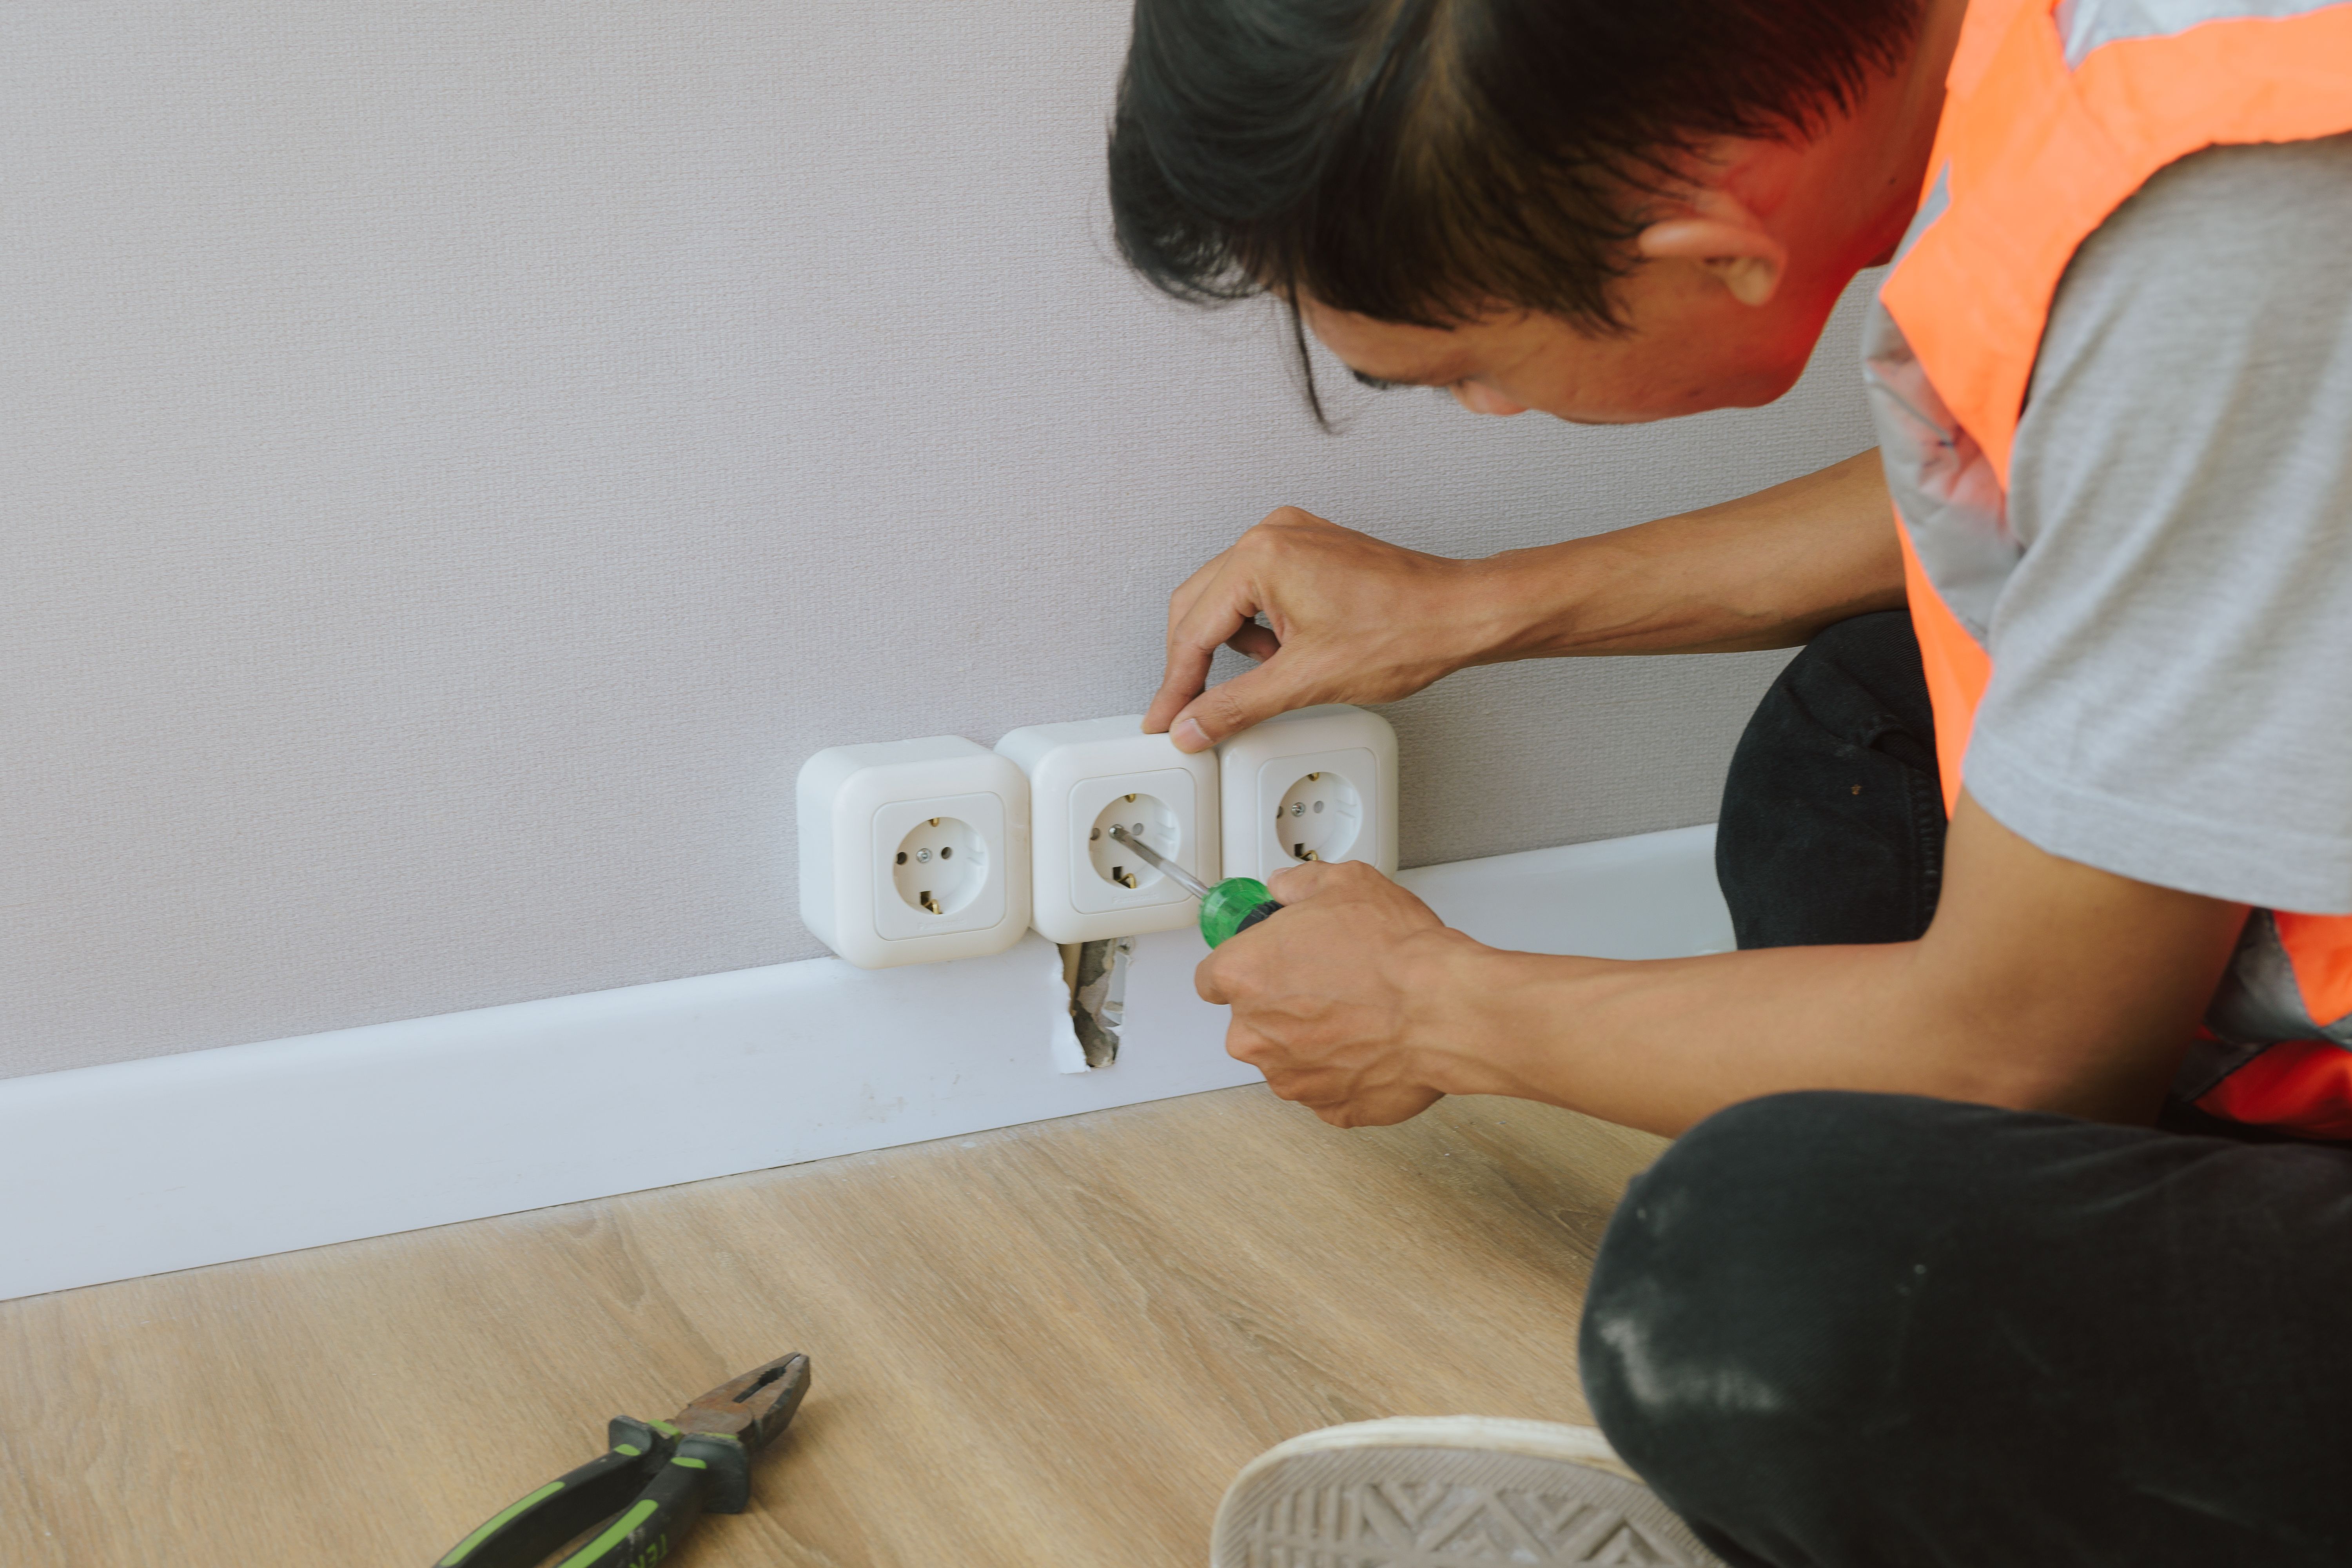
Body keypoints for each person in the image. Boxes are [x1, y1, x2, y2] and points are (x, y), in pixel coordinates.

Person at [1106, 0, 2352, 1561]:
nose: (1490, 410)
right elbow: (2100, 469)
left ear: (1715, 255)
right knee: (1855, 740)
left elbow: (2027, 1054)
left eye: (1469, 371)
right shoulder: (2079, 67)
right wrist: (1471, 607)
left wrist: (1436, 1006)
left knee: (1758, 1280)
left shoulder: (2217, 203)